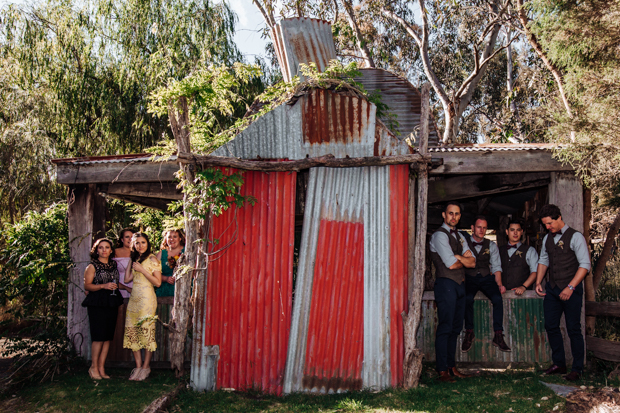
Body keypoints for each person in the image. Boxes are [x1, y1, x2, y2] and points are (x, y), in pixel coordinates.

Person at [535, 204, 591, 381]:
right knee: (551, 326)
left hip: (571, 289)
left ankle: (577, 368)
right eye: (545, 225)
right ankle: (559, 364)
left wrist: (571, 287)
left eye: (550, 223)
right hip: (552, 289)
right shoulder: (546, 239)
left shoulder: (576, 237)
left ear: (559, 218)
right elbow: (544, 260)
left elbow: (585, 265)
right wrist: (538, 281)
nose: (547, 227)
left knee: (573, 328)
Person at [429, 202, 476, 382]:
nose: (453, 217)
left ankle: (451, 367)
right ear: (444, 215)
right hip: (446, 284)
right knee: (445, 327)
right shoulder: (439, 236)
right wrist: (461, 259)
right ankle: (442, 370)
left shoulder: (461, 236)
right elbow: (451, 264)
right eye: (450, 214)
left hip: (459, 286)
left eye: (456, 214)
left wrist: (460, 258)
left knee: (456, 328)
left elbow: (472, 262)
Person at [461, 216, 511, 353]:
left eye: (484, 227)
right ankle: (469, 332)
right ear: (472, 228)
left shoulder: (491, 245)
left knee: (497, 299)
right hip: (469, 277)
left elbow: (496, 266)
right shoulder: (464, 243)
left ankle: (498, 335)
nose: (482, 230)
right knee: (467, 299)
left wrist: (499, 284)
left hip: (485, 277)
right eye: (479, 227)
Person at [82, 238, 124, 380]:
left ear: (111, 250)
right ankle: (93, 367)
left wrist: (128, 288)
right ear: (97, 250)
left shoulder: (113, 265)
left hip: (111, 301)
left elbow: (117, 283)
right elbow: (87, 286)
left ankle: (101, 367)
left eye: (107, 247)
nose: (104, 250)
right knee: (98, 336)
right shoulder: (92, 266)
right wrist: (103, 286)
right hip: (97, 302)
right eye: (101, 247)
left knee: (107, 337)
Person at [123, 232, 162, 381]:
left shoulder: (152, 259)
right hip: (134, 299)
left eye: (143, 242)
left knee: (146, 331)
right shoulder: (136, 259)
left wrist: (142, 270)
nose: (140, 245)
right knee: (133, 331)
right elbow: (127, 279)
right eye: (137, 243)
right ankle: (138, 367)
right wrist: (130, 262)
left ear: (148, 243)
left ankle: (146, 367)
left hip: (147, 298)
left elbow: (157, 282)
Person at [499, 220, 538, 295]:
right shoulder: (499, 250)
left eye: (518, 230)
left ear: (522, 232)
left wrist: (523, 287)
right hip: (503, 294)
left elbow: (535, 272)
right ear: (507, 232)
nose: (515, 233)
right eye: (512, 230)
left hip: (524, 295)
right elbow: (494, 270)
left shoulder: (530, 250)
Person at [155, 229, 185, 297]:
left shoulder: (187, 252)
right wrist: (165, 278)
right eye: (169, 237)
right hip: (164, 292)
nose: (172, 239)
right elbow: (153, 274)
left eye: (175, 236)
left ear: (180, 238)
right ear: (166, 239)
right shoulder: (161, 254)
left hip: (183, 290)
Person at [114, 228, 134, 298]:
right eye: (127, 237)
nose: (130, 239)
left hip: (135, 286)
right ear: (122, 239)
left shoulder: (139, 252)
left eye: (132, 237)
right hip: (120, 285)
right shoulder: (115, 252)